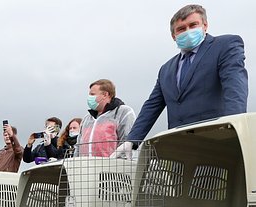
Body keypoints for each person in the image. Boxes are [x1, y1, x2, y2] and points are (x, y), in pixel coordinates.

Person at [127, 4, 248, 146]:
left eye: (193, 25)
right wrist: (131, 140)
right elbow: (151, 106)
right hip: (181, 148)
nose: (188, 31)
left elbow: (235, 88)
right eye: (181, 29)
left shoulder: (225, 46)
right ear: (174, 36)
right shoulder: (166, 69)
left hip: (217, 141)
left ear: (205, 25)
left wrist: (233, 127)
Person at [75, 79, 136, 158]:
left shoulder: (123, 112)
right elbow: (78, 145)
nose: (89, 98)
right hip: (85, 167)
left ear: (105, 94)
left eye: (92, 94)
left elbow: (126, 141)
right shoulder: (87, 118)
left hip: (111, 167)